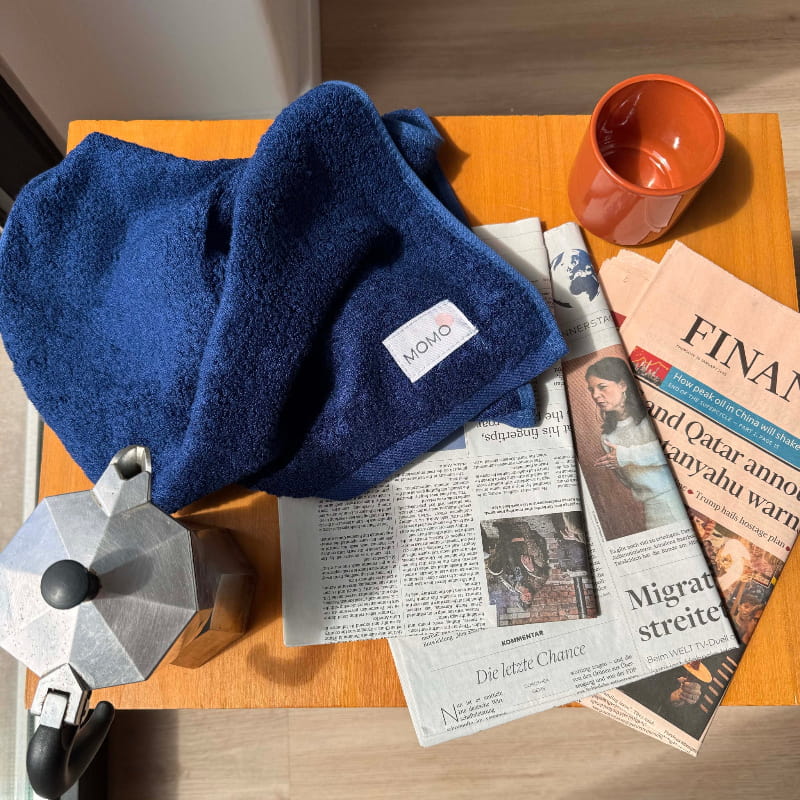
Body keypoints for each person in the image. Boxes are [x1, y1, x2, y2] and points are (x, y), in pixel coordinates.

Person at [585, 356, 683, 529]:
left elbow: (675, 450)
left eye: (602, 387)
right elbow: (624, 479)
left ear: (623, 385)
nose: (595, 395)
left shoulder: (651, 416)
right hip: (652, 509)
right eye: (591, 390)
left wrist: (626, 455)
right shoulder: (608, 437)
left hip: (676, 499)